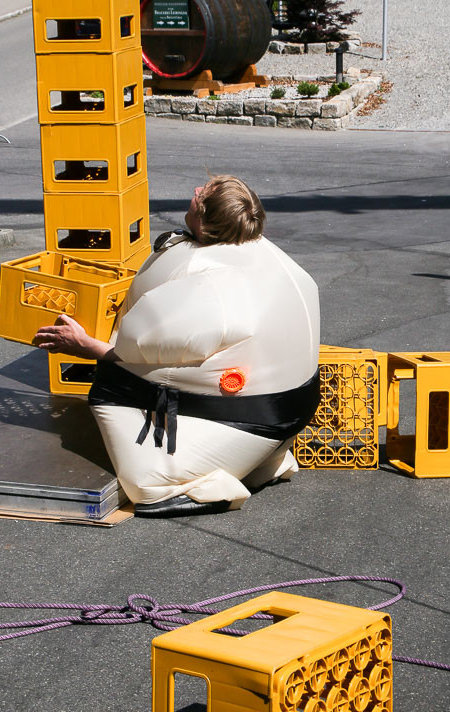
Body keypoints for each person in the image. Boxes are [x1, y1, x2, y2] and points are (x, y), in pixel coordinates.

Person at [34, 176, 320, 518]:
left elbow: (131, 348)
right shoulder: (266, 254)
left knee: (112, 384)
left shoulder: (207, 280)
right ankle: (265, 464)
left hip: (249, 420)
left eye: (202, 193)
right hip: (296, 406)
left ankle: (180, 485)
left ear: (203, 218)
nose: (195, 190)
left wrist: (82, 344)